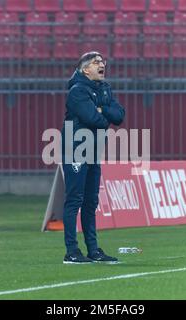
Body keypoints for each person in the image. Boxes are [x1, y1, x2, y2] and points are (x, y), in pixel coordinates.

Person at [61, 52, 125, 264]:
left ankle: (93, 250)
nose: (101, 64)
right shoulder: (77, 91)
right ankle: (71, 251)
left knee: (90, 202)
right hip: (76, 150)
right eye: (96, 62)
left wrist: (102, 109)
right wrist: (104, 112)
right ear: (84, 69)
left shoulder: (104, 88)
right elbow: (96, 120)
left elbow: (119, 115)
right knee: (74, 200)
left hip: (94, 152)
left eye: (102, 61)